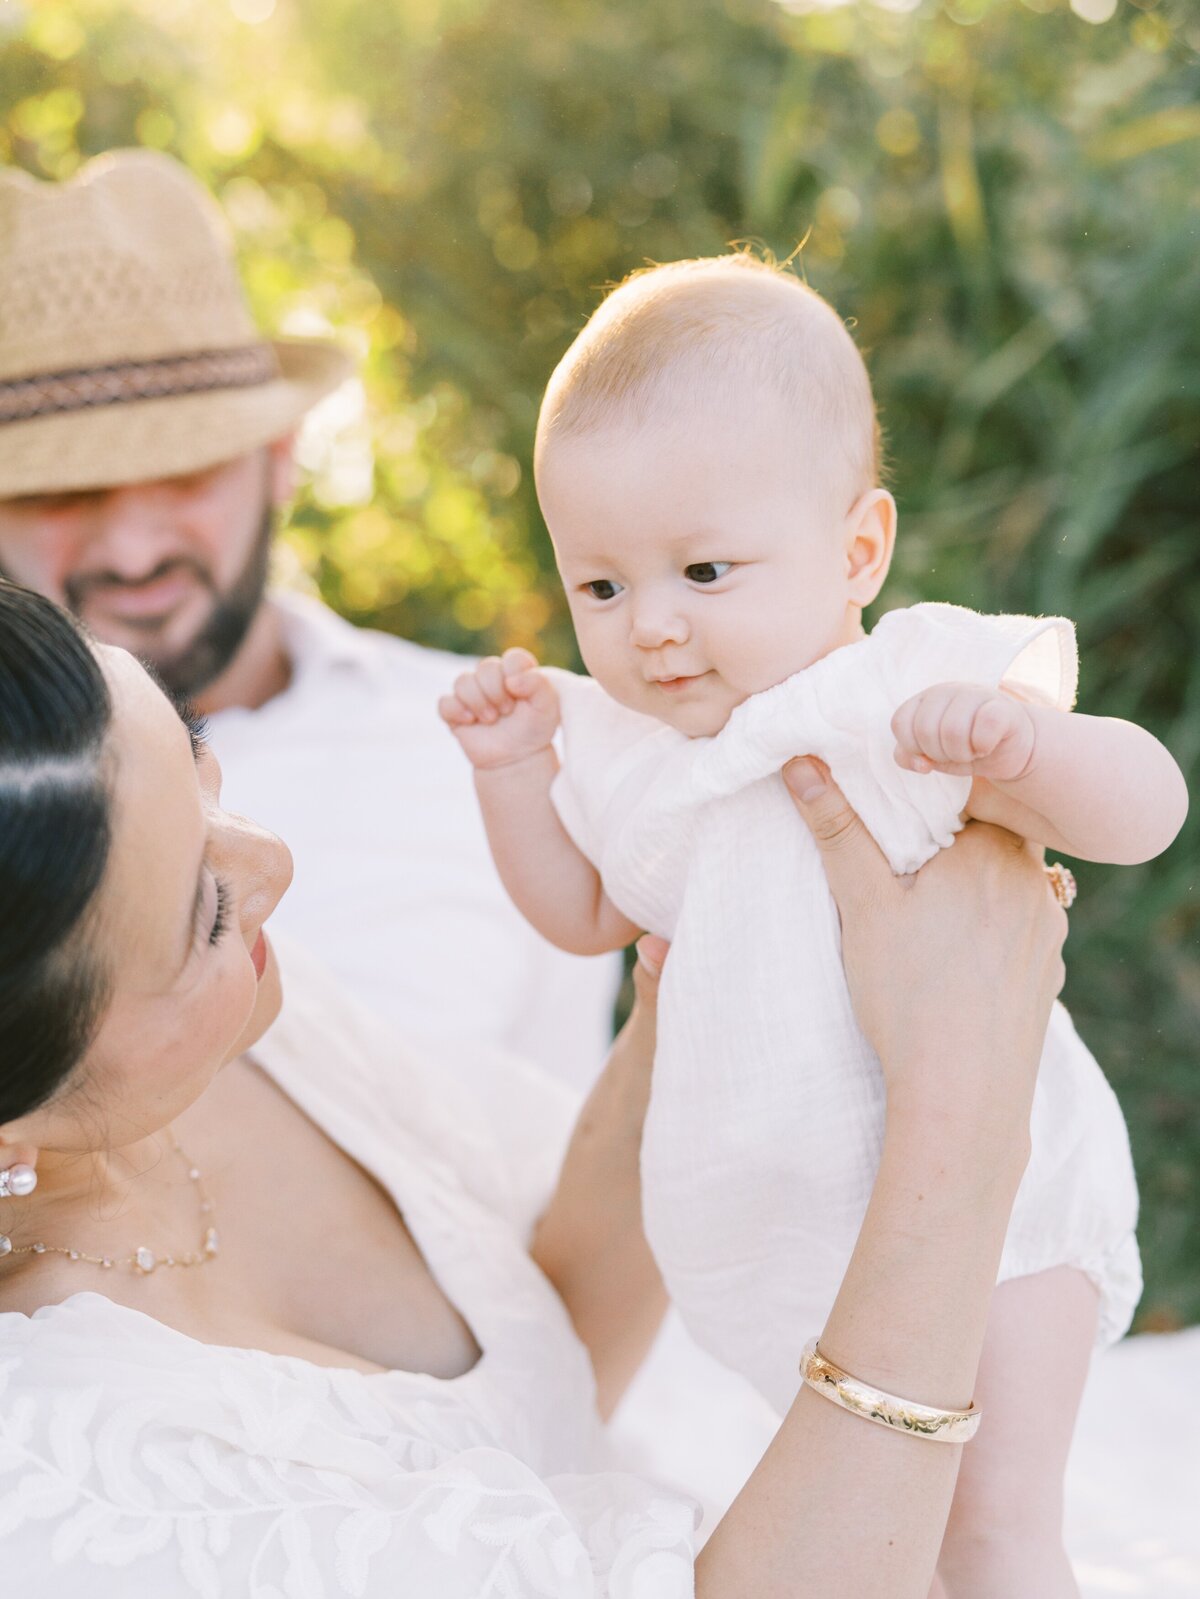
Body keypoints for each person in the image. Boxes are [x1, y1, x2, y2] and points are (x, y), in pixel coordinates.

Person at [0, 581, 1069, 1597]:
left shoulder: (245, 1019)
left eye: (195, 754)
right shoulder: (70, 1489)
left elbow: (542, 1365)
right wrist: (959, 1109)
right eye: (207, 911)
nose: (272, 860)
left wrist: (694, 986)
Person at [438, 253, 1189, 1595]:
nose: (652, 627)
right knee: (886, 1532)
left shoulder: (895, 695)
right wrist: (512, 773)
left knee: (991, 1533)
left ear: (858, 552)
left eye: (702, 569)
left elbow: (1147, 810)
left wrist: (1025, 748)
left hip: (1001, 1214)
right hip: (780, 1249)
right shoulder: (639, 758)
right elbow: (586, 913)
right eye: (600, 588)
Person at [0, 147, 618, 1091]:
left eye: (184, 472)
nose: (130, 549)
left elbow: (576, 1148)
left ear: (280, 456)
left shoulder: (516, 755)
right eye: (60, 491)